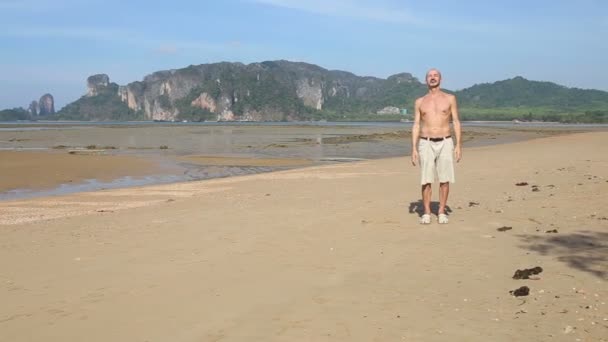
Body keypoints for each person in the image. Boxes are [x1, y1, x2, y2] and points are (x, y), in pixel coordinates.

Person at [411, 68, 462, 224]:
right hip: (425, 142)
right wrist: (413, 147)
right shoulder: (420, 102)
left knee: (444, 178)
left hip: (445, 140)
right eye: (430, 76)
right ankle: (426, 212)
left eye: (435, 75)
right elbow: (416, 124)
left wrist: (458, 145)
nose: (432, 78)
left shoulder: (450, 98)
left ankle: (441, 211)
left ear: (441, 78)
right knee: (426, 179)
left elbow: (456, 121)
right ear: (426, 80)